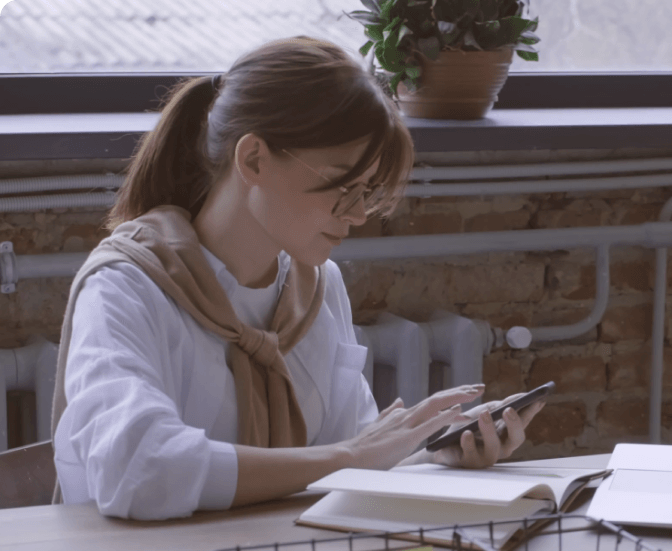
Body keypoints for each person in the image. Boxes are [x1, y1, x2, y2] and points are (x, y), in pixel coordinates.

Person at [49, 36, 547, 521]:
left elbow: (348, 463)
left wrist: (437, 457)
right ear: (254, 160)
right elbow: (137, 469)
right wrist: (351, 456)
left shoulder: (317, 288)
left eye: (366, 190)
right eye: (341, 185)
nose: (356, 215)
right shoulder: (126, 287)